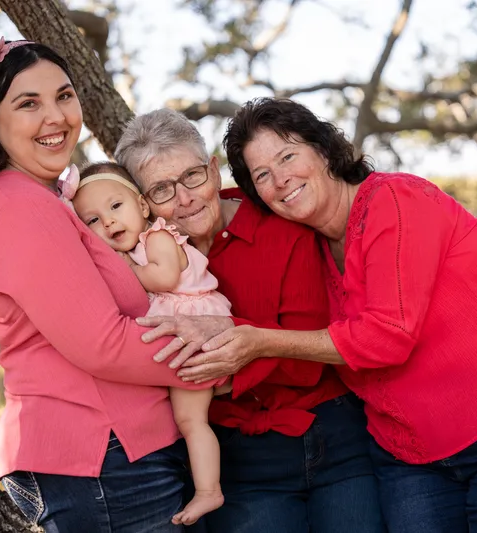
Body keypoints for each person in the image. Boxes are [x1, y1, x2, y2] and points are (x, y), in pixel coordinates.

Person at [176, 97, 477, 533]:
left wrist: (259, 340)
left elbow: (387, 334)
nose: (280, 180)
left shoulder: (394, 200)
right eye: (262, 175)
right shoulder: (312, 249)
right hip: (410, 454)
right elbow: (220, 206)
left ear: (322, 150)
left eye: (288, 156)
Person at [0, 36, 224, 532]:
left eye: (64, 96)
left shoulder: (48, 200)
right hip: (100, 457)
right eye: (28, 103)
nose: (55, 117)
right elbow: (103, 344)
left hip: (117, 455)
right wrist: (221, 358)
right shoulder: (20, 208)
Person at [115, 109, 385, 533]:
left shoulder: (281, 225)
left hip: (332, 436)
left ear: (212, 168)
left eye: (192, 177)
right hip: (237, 455)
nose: (185, 198)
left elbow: (306, 362)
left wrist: (224, 347)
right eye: (162, 190)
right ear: (142, 203)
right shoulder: (138, 263)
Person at [61, 161, 231, 525]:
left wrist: (124, 268)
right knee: (186, 419)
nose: (107, 222)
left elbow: (165, 276)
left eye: (115, 206)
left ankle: (208, 491)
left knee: (191, 420)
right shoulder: (138, 245)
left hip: (196, 326)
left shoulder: (158, 236)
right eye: (92, 220)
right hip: (181, 329)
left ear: (141, 206)